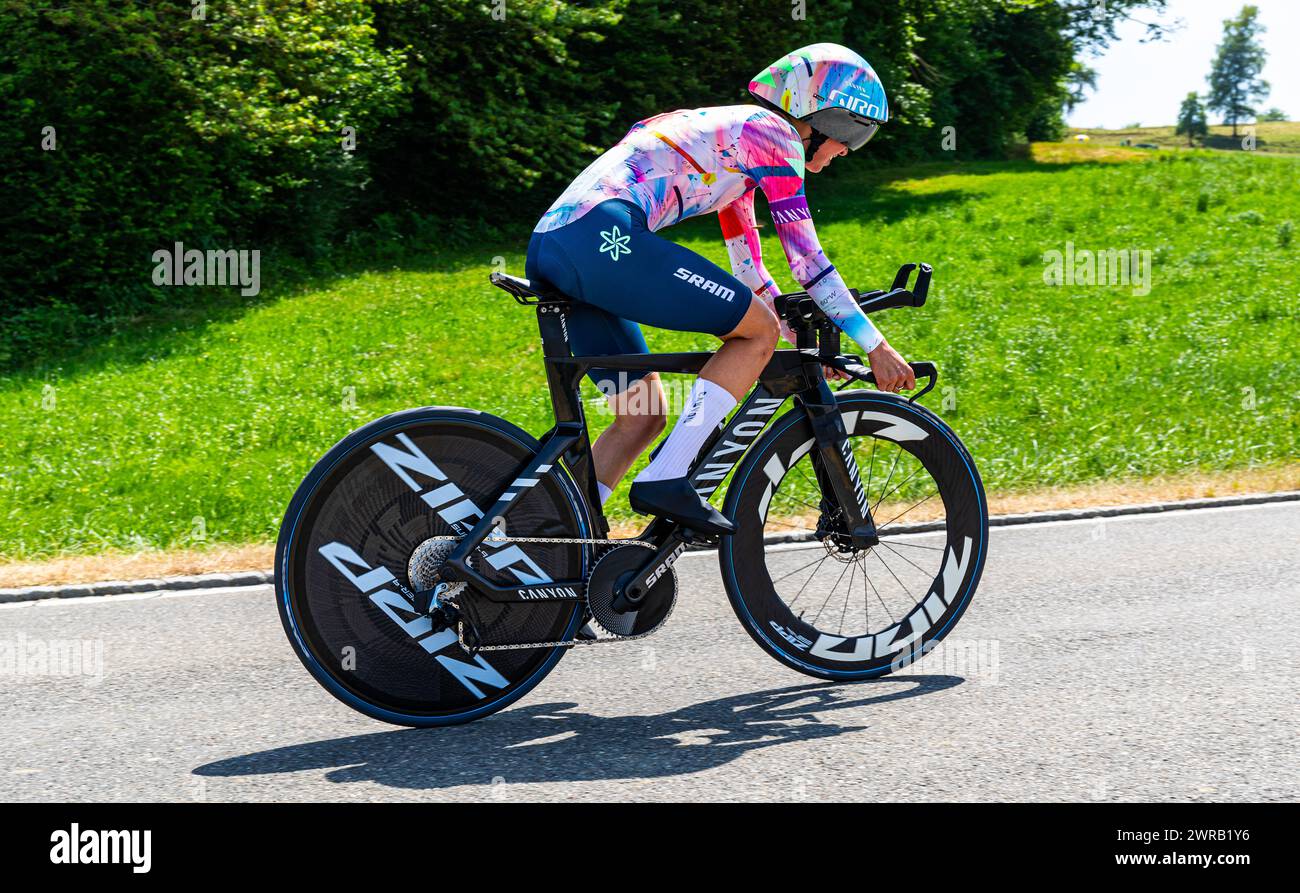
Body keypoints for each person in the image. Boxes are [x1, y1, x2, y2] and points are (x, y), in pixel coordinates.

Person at [525, 43, 915, 535]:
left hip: (560, 244)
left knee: (641, 416)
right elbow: (807, 259)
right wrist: (876, 346)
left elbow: (750, 271)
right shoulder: (774, 136)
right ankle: (667, 477)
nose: (848, 151)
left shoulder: (738, 149)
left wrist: (803, 342)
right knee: (755, 333)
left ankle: (549, 539)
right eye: (855, 135)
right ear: (826, 116)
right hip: (601, 237)